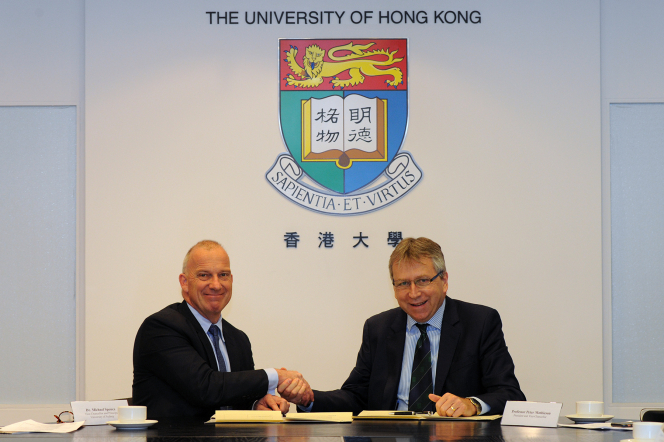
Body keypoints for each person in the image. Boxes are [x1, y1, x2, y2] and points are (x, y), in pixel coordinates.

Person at [281, 237, 525, 416]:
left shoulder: (480, 322)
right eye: (402, 284)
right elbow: (356, 396)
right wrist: (308, 399)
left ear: (444, 281)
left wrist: (471, 404)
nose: (413, 293)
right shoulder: (378, 328)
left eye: (422, 281)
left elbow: (509, 393)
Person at [133, 240, 311, 418]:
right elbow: (206, 388)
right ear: (184, 282)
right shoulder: (161, 327)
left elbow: (234, 395)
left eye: (223, 275)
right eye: (204, 275)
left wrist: (257, 405)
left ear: (231, 280)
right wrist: (275, 376)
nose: (216, 285)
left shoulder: (238, 339)